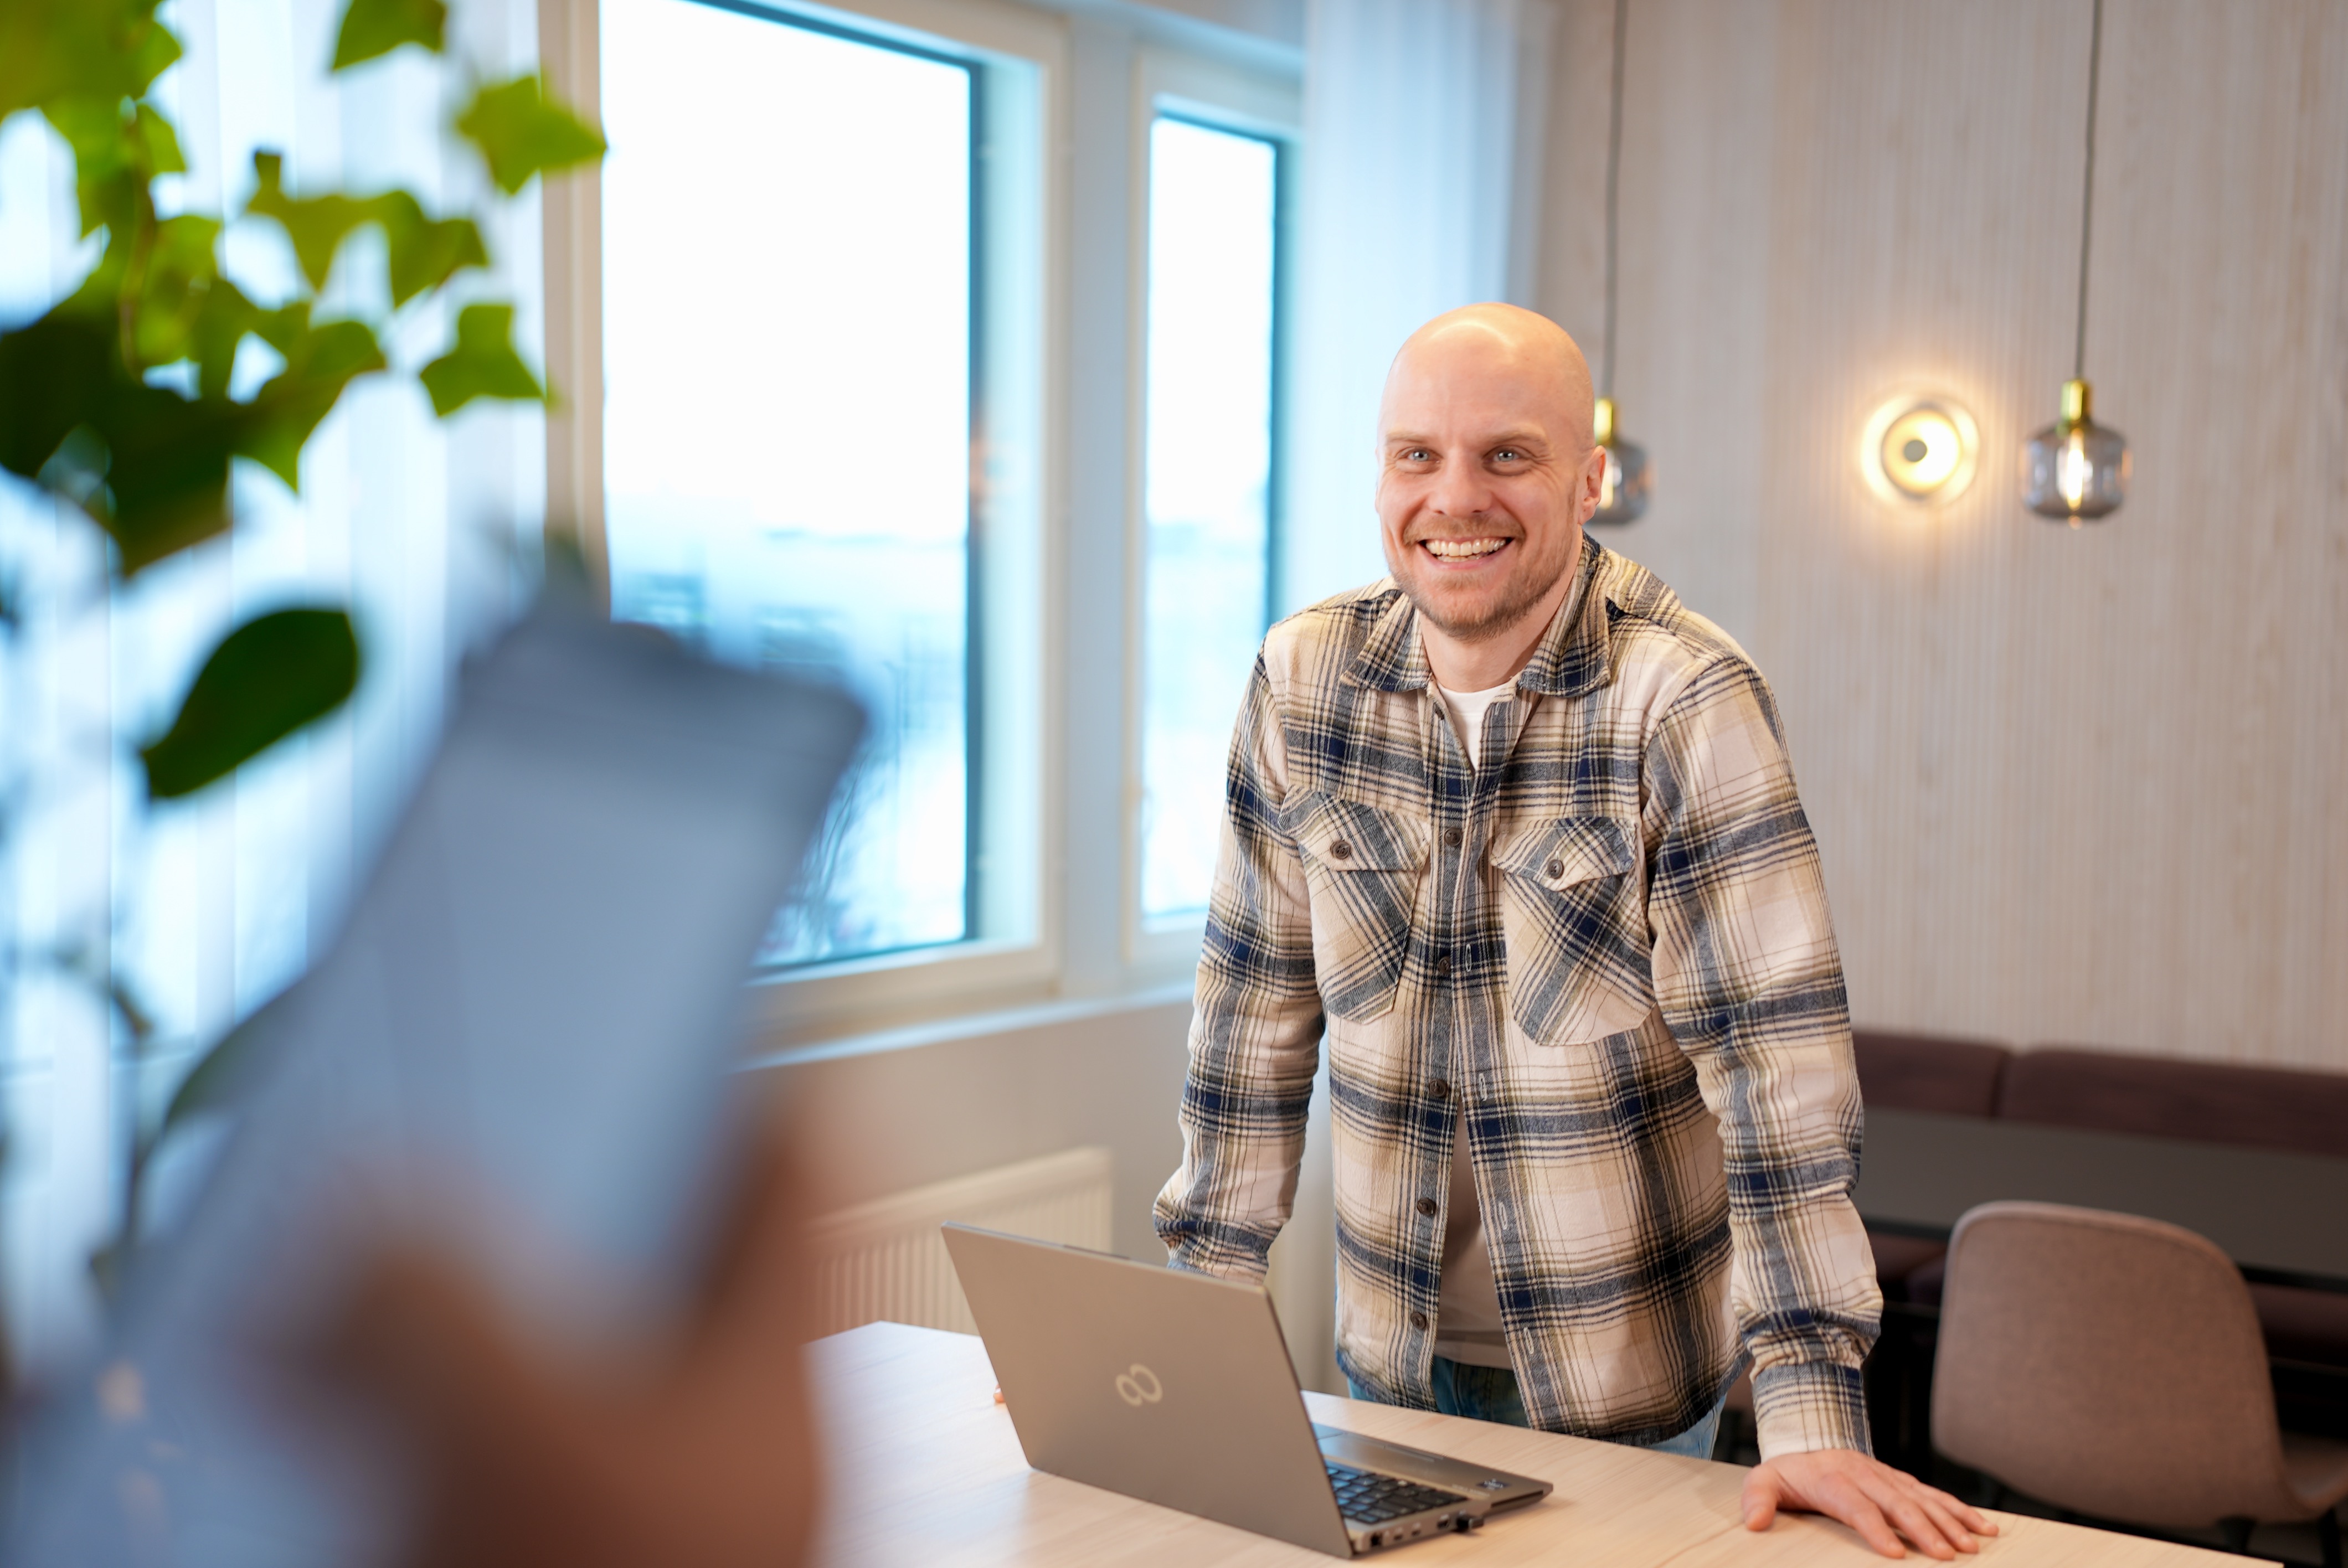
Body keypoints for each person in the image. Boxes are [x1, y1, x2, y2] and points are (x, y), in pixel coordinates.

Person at [1155, 303, 1995, 1560]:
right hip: (1384, 1362)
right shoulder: (1302, 678)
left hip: (1623, 1396)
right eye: (1415, 455)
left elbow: (1777, 1080)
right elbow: (1250, 1017)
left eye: (1506, 456)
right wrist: (1186, 1340)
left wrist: (1808, 1409)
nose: (1454, 497)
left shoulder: (1682, 700)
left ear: (1586, 479)